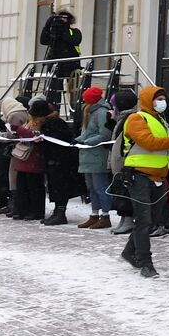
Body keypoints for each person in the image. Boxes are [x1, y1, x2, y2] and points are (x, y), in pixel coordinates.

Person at [119, 85, 169, 278]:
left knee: (152, 219)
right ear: (148, 100)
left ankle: (129, 251)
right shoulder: (136, 119)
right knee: (143, 219)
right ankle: (146, 262)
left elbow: (162, 147)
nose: (161, 102)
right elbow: (148, 142)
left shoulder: (161, 121)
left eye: (163, 98)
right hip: (138, 175)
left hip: (158, 176)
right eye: (158, 99)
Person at [29, 98, 79, 226]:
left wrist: (43, 139)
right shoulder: (50, 122)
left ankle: (60, 212)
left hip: (61, 161)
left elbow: (61, 139)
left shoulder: (54, 123)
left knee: (59, 186)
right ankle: (58, 210)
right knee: (55, 185)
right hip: (54, 160)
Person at [74, 87, 114, 229]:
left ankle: (105, 215)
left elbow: (104, 135)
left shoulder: (101, 112)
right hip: (89, 153)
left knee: (100, 186)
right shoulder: (91, 111)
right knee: (91, 187)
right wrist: (79, 140)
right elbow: (88, 132)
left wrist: (84, 142)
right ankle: (94, 214)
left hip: (97, 154)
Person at [107, 89, 139, 234]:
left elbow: (121, 143)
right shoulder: (121, 120)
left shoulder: (127, 120)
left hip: (124, 163)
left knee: (124, 193)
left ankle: (128, 219)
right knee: (120, 192)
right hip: (120, 162)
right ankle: (123, 219)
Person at [39, 8, 81, 107]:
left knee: (74, 91)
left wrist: (63, 30)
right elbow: (43, 41)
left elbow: (75, 40)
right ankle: (54, 110)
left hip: (71, 66)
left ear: (69, 20)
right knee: (54, 91)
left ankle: (74, 112)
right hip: (55, 65)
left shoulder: (74, 31)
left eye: (64, 18)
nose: (62, 20)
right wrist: (47, 26)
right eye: (60, 18)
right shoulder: (54, 34)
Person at [8, 107, 45, 221]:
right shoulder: (28, 122)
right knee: (22, 186)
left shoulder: (40, 123)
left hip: (33, 158)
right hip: (23, 157)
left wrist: (19, 130)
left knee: (33, 187)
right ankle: (22, 209)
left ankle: (35, 210)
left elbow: (34, 137)